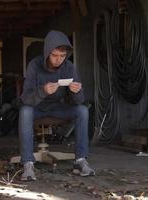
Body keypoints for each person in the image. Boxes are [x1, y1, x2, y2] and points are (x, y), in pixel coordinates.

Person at [19, 30, 95, 181]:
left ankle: (81, 160)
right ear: (47, 52)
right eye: (54, 55)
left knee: (82, 110)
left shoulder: (68, 67)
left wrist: (76, 92)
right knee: (25, 111)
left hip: (57, 108)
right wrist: (43, 90)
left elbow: (78, 101)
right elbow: (25, 98)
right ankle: (27, 164)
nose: (58, 59)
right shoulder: (35, 65)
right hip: (37, 108)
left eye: (62, 56)